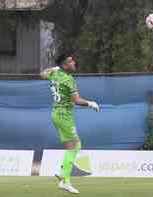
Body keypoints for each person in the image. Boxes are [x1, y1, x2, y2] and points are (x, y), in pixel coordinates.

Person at [40, 53, 99, 194]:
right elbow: (77, 101)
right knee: (73, 147)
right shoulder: (68, 79)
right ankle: (65, 181)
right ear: (65, 65)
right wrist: (91, 104)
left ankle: (62, 172)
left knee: (75, 145)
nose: (74, 63)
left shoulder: (54, 74)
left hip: (56, 114)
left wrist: (54, 68)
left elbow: (41, 74)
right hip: (64, 116)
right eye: (71, 61)